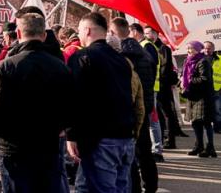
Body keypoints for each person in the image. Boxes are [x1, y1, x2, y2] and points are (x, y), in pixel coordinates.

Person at [0, 13, 74, 193]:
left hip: (14, 147)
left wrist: (1, 136)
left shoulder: (5, 67)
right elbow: (70, 106)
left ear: (18, 33)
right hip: (46, 145)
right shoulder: (59, 67)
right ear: (44, 35)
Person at [67, 13, 138, 192]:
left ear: (87, 30)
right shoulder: (121, 60)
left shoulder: (83, 57)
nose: (79, 36)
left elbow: (76, 98)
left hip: (100, 138)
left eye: (80, 31)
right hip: (124, 136)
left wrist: (72, 135)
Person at [110, 17, 157, 193]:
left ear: (114, 33)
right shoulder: (143, 52)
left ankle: (134, 188)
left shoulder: (122, 57)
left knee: (129, 155)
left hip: (130, 109)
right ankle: (151, 185)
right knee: (144, 151)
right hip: (145, 105)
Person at [134, 24, 164, 161]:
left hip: (150, 88)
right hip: (149, 87)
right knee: (151, 119)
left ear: (134, 32)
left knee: (152, 120)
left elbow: (150, 66)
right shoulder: (145, 44)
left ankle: (157, 150)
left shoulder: (146, 45)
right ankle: (155, 148)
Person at [181, 41, 216, 157]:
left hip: (203, 97)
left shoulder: (203, 61)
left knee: (206, 123)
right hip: (193, 96)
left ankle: (210, 148)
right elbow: (185, 76)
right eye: (188, 49)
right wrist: (181, 82)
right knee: (195, 122)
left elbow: (205, 79)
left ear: (197, 49)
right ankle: (199, 146)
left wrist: (190, 81)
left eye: (190, 49)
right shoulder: (188, 61)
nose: (189, 51)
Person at [205, 41, 221, 130]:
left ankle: (218, 127)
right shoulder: (200, 58)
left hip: (216, 88)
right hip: (204, 89)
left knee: (217, 109)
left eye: (209, 48)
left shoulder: (219, 59)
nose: (207, 50)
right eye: (205, 48)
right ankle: (207, 127)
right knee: (206, 109)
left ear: (213, 49)